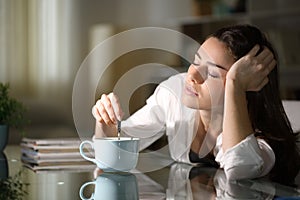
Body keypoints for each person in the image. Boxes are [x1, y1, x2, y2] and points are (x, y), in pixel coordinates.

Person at [92, 24, 300, 185]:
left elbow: (240, 169)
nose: (191, 75)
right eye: (195, 60)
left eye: (210, 72)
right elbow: (115, 153)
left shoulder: (262, 136)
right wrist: (105, 123)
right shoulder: (173, 92)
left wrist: (235, 86)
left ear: (248, 85)